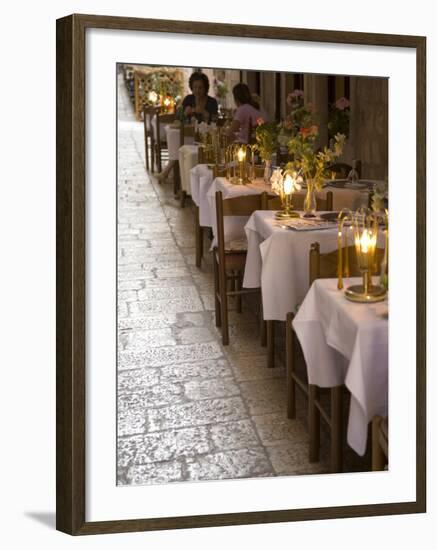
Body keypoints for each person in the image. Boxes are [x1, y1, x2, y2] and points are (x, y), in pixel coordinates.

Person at [157, 72, 218, 181]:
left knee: (178, 144)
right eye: (195, 87)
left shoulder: (212, 102)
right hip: (187, 136)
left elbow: (215, 122)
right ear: (191, 87)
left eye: (200, 87)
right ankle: (176, 178)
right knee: (175, 137)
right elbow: (178, 119)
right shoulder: (188, 99)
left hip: (204, 138)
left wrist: (205, 114)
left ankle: (168, 171)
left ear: (205, 88)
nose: (197, 91)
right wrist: (185, 113)